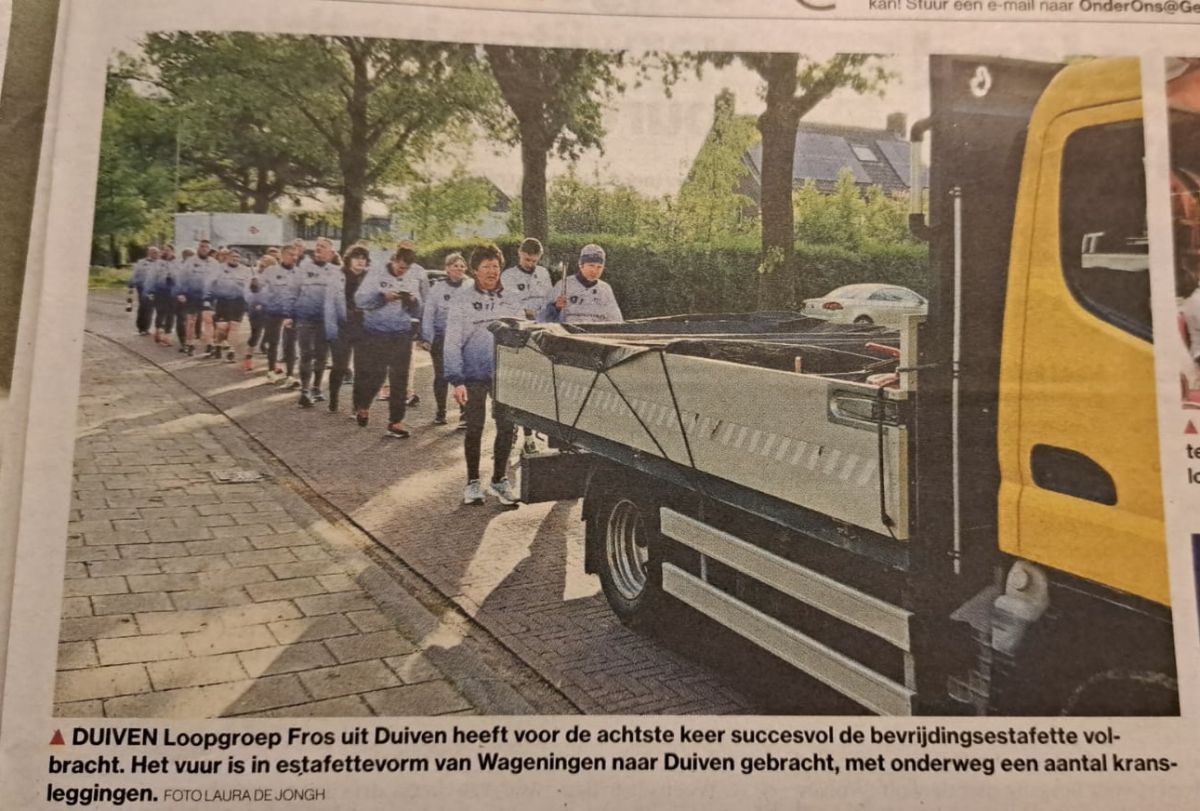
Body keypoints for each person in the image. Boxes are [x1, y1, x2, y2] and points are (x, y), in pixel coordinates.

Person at [444, 243, 524, 505]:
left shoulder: (510, 297)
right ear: (475, 270)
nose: (492, 271)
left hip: (504, 374)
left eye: (496, 267)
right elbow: (452, 340)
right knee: (475, 428)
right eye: (486, 267)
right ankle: (472, 483)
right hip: (473, 374)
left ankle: (499, 480)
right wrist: (456, 379)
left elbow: (523, 332)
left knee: (507, 428)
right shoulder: (462, 299)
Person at [352, 246, 423, 437]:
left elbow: (417, 310)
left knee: (400, 378)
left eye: (406, 269)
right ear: (394, 260)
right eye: (400, 267)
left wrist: (413, 301)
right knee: (377, 375)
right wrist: (382, 297)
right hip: (376, 332)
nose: (402, 271)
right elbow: (359, 300)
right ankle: (363, 406)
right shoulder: (375, 274)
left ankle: (396, 422)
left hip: (401, 332)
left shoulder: (411, 277)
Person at [501, 237, 554, 453]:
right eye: (527, 259)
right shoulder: (508, 276)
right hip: (517, 334)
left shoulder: (543, 274)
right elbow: (511, 305)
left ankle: (529, 436)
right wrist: (529, 312)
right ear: (519, 254)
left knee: (535, 385)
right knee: (516, 384)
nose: (530, 264)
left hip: (540, 333)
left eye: (534, 260)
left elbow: (549, 300)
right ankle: (516, 427)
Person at [419, 252, 468, 425]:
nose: (459, 269)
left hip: (462, 339)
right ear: (447, 268)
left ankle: (464, 413)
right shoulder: (437, 289)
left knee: (462, 376)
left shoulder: (470, 286)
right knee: (441, 376)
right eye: (455, 265)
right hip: (441, 337)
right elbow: (429, 314)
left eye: (462, 266)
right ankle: (441, 412)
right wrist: (428, 338)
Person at [293, 237, 339, 407]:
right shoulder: (303, 269)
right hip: (305, 317)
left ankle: (316, 387)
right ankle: (304, 391)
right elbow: (293, 292)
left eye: (323, 247)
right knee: (306, 354)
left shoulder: (336, 271)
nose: (318, 249)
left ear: (331, 252)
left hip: (326, 320)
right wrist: (290, 315)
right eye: (317, 246)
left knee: (321, 355)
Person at [324, 244, 370, 414]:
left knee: (362, 367)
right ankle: (334, 397)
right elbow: (329, 305)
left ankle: (356, 405)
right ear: (349, 260)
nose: (360, 261)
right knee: (340, 366)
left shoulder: (370, 278)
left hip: (363, 328)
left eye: (363, 258)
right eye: (356, 257)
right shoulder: (337, 277)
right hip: (342, 327)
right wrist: (331, 331)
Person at [539, 243, 623, 325]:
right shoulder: (563, 285)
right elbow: (541, 318)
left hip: (595, 334)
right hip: (569, 335)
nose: (595, 271)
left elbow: (616, 320)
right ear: (581, 265)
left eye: (599, 267)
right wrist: (555, 307)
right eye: (591, 265)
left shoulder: (605, 289)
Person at [260, 245, 301, 386]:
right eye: (291, 254)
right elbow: (258, 287)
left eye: (296, 255)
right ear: (282, 255)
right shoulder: (271, 271)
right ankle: (271, 371)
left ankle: (290, 375)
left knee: (291, 344)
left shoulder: (300, 273)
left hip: (291, 313)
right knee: (274, 342)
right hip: (274, 311)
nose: (294, 257)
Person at [176, 239, 218, 357]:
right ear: (198, 248)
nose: (204, 249)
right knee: (191, 320)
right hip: (192, 294)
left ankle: (210, 344)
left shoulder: (214, 263)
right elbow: (181, 278)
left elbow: (218, 280)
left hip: (208, 296)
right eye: (202, 246)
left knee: (208, 319)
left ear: (209, 249)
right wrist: (180, 293)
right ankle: (190, 344)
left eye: (206, 247)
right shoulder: (190, 262)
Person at [243, 255, 276, 371]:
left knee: (272, 335)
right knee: (255, 334)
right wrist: (254, 302)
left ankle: (272, 363)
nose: (265, 267)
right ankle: (248, 357)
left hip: (271, 308)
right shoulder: (254, 277)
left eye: (268, 265)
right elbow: (247, 293)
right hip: (256, 308)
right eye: (263, 264)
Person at [147, 244, 178, 346]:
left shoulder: (178, 263)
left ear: (173, 251)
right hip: (160, 291)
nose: (166, 252)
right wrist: (150, 291)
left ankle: (167, 336)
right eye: (164, 250)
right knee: (161, 312)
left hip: (173, 292)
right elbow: (151, 278)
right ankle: (158, 331)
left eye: (168, 250)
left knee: (171, 314)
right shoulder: (157, 263)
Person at [127, 246, 159, 335]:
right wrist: (131, 283)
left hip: (154, 288)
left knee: (150, 308)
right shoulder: (141, 262)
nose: (155, 254)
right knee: (143, 307)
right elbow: (135, 273)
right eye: (153, 252)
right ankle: (141, 327)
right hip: (142, 287)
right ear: (148, 253)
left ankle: (146, 328)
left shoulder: (160, 263)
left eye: (156, 253)